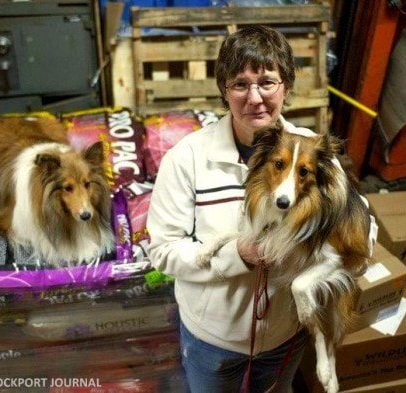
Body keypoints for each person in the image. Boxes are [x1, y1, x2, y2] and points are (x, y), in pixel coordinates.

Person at [147, 25, 317, 392]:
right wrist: (236, 255)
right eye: (240, 84)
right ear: (224, 92)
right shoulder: (187, 159)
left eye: (267, 82)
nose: (255, 98)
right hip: (212, 340)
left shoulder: (312, 153)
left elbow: (357, 223)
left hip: (286, 333)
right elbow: (162, 251)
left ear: (285, 85)